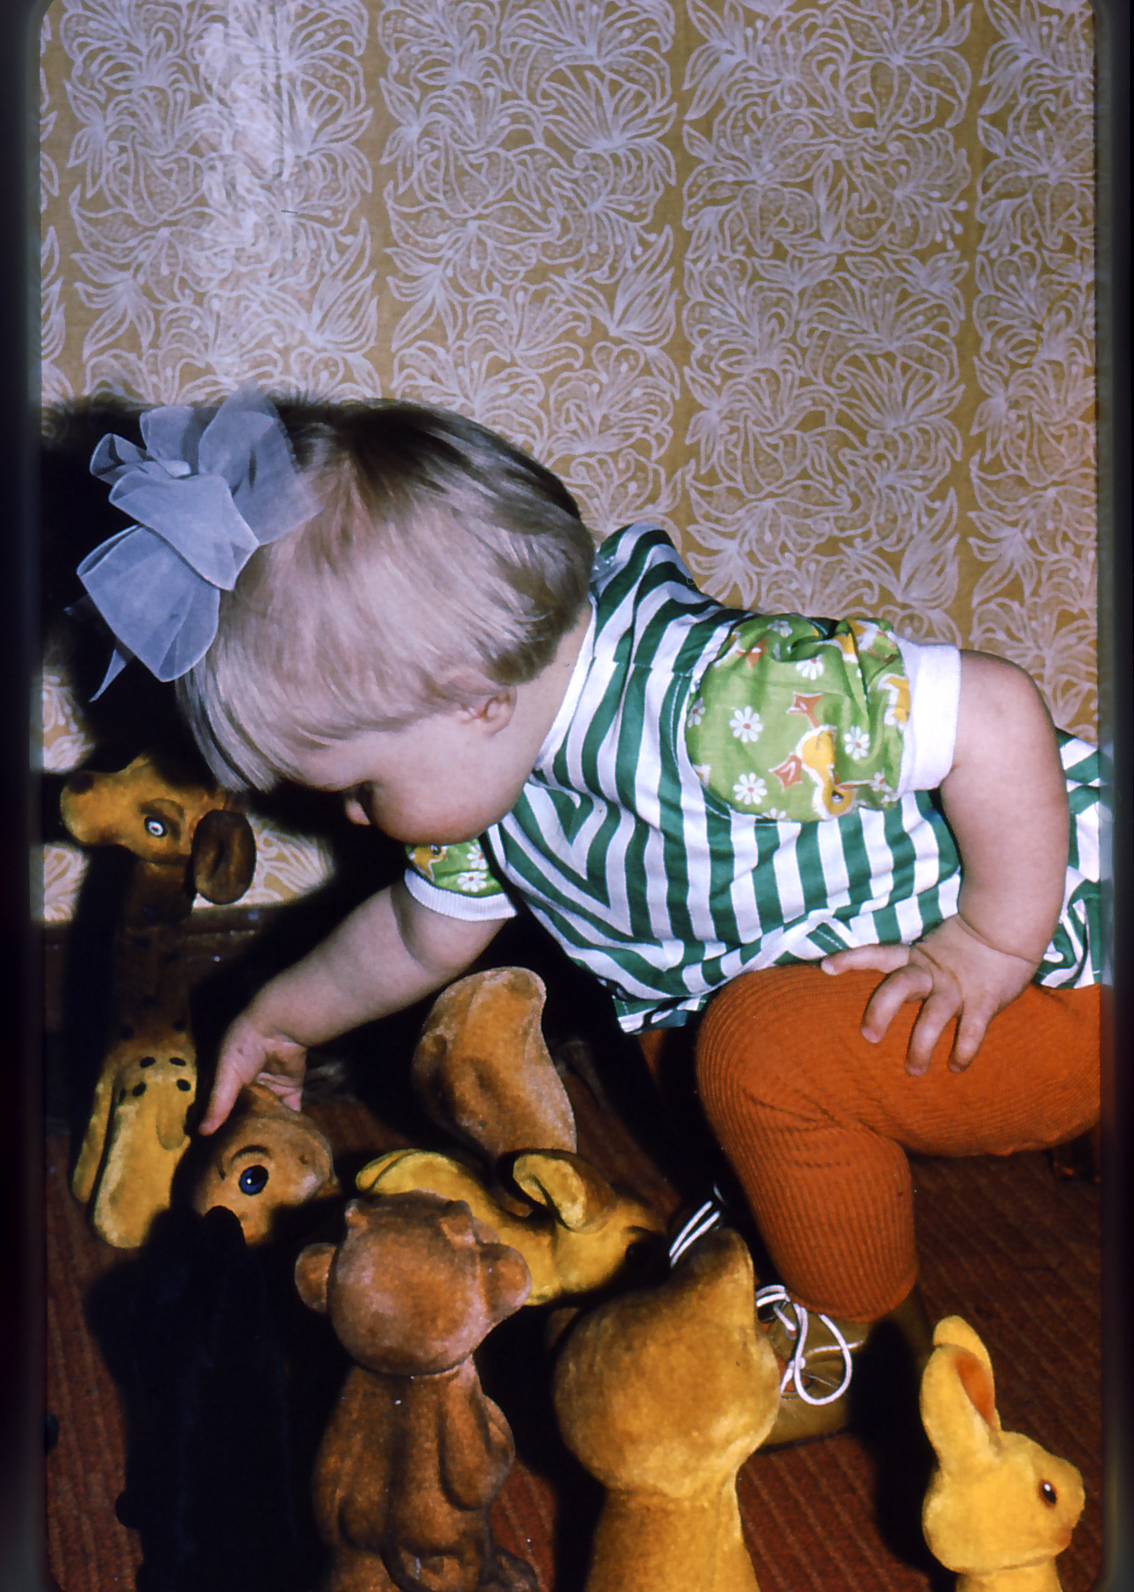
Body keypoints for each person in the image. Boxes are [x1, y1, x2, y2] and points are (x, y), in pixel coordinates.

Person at [79, 387, 1102, 1442]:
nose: (351, 818)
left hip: (1062, 976)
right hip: (871, 991)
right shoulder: (505, 758)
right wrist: (283, 1012)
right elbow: (422, 931)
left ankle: (850, 1323)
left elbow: (994, 708)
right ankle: (784, 1215)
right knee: (681, 1039)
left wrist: (990, 940)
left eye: (361, 787)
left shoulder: (714, 703)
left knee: (751, 1052)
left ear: (473, 697)